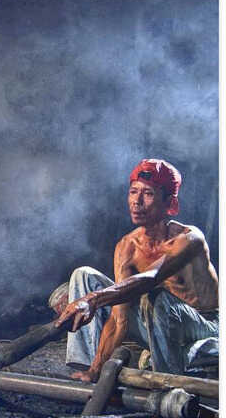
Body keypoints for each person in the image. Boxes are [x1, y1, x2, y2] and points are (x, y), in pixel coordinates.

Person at [53, 159, 218, 381]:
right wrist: (97, 368)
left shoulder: (189, 238)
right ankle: (89, 370)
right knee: (84, 276)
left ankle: (168, 382)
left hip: (206, 328)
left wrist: (91, 300)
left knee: (153, 295)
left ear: (169, 202)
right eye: (133, 192)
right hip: (158, 329)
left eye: (148, 193)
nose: (136, 201)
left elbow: (151, 277)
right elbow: (119, 319)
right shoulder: (127, 247)